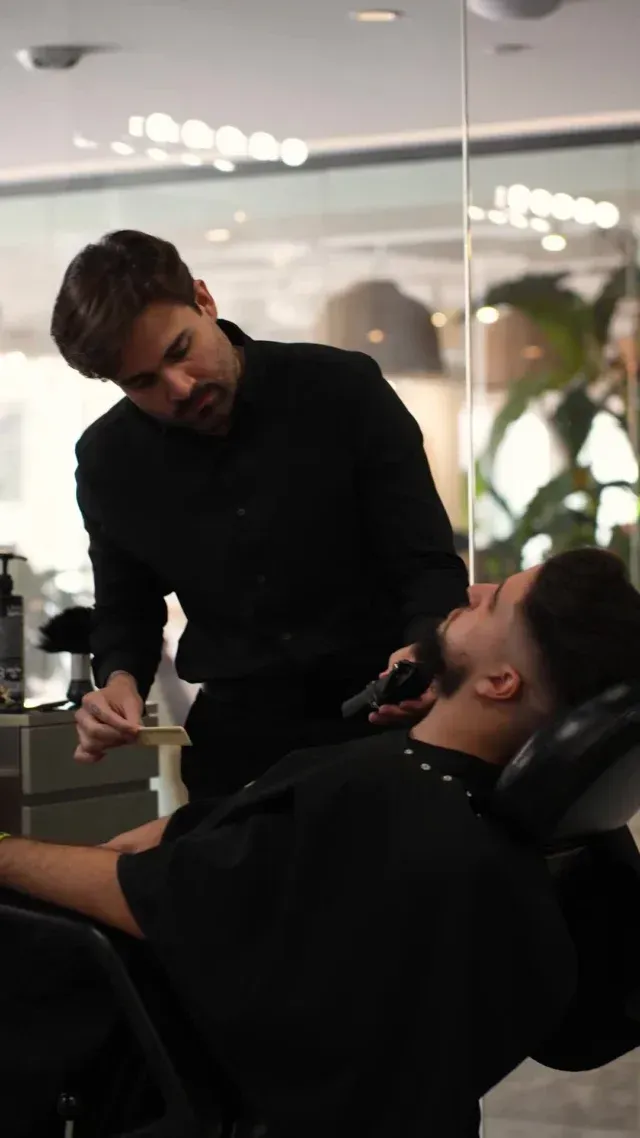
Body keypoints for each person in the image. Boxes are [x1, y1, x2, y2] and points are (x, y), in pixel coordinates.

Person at [3, 547, 640, 1138]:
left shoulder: (391, 802)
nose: (473, 590)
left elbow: (154, 899)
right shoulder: (458, 801)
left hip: (142, 1057)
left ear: (501, 682)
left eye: (496, 603)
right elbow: (188, 853)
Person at [51, 229, 468, 799]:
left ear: (204, 299)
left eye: (179, 350)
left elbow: (427, 563)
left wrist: (424, 652)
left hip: (383, 720)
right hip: (237, 747)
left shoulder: (342, 390)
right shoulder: (109, 459)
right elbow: (127, 609)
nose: (178, 387)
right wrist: (120, 683)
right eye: (141, 382)